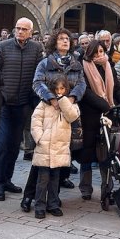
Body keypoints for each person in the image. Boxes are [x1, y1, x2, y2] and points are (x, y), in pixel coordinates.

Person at [0, 18, 44, 202]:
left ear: (31, 32)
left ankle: (7, 180)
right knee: (1, 145)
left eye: (24, 29)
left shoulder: (36, 49)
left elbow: (39, 73)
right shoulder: (3, 46)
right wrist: (0, 94)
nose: (20, 32)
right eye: (18, 28)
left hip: (23, 105)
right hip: (4, 105)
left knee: (14, 146)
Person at [73, 40, 120, 203]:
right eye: (95, 53)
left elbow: (117, 88)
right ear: (89, 53)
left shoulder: (109, 66)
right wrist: (105, 105)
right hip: (89, 116)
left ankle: (106, 188)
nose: (99, 55)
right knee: (86, 154)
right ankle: (85, 188)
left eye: (101, 52)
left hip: (107, 117)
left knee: (106, 154)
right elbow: (85, 92)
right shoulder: (82, 66)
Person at [30, 76, 80, 219]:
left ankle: (53, 204)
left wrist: (63, 101)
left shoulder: (71, 104)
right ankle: (39, 205)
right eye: (56, 89)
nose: (59, 92)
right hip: (45, 146)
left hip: (59, 148)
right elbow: (35, 120)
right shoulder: (44, 103)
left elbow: (72, 116)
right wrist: (39, 137)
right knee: (42, 179)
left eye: (62, 89)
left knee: (55, 179)